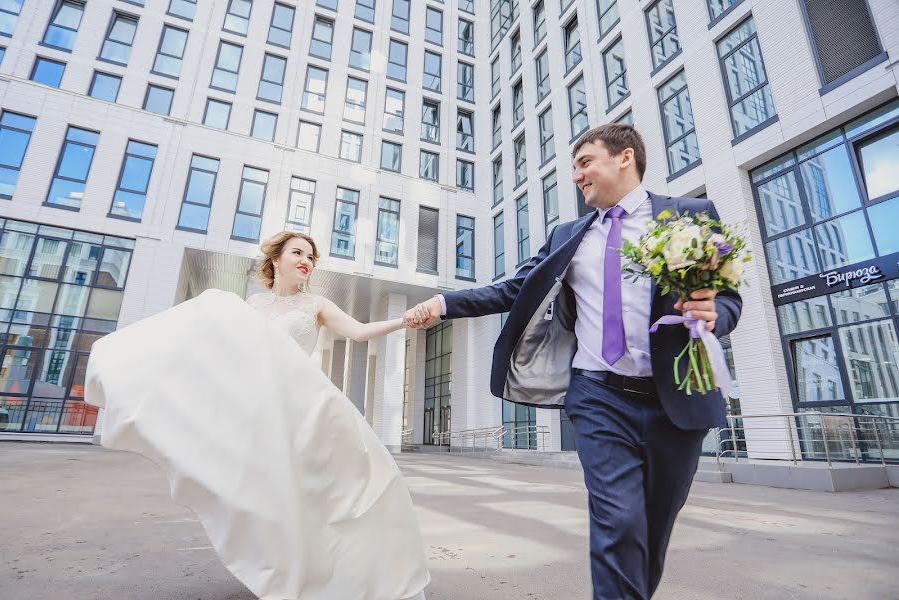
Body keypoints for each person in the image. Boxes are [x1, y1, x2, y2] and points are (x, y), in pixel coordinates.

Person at [405, 124, 742, 600]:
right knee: (618, 522)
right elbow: (514, 289)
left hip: (676, 401)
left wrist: (715, 313)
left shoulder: (690, 216)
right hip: (598, 396)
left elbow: (729, 298)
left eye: (585, 162)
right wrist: (443, 304)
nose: (577, 175)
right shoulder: (570, 235)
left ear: (625, 158)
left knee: (652, 527)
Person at [86, 231, 429, 600]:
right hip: (263, 412)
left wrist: (403, 322)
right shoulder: (251, 306)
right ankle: (290, 569)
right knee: (274, 495)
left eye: (311, 257)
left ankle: (353, 574)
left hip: (305, 406)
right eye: (297, 252)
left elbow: (360, 332)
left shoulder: (316, 304)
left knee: (343, 488)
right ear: (276, 259)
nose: (306, 261)